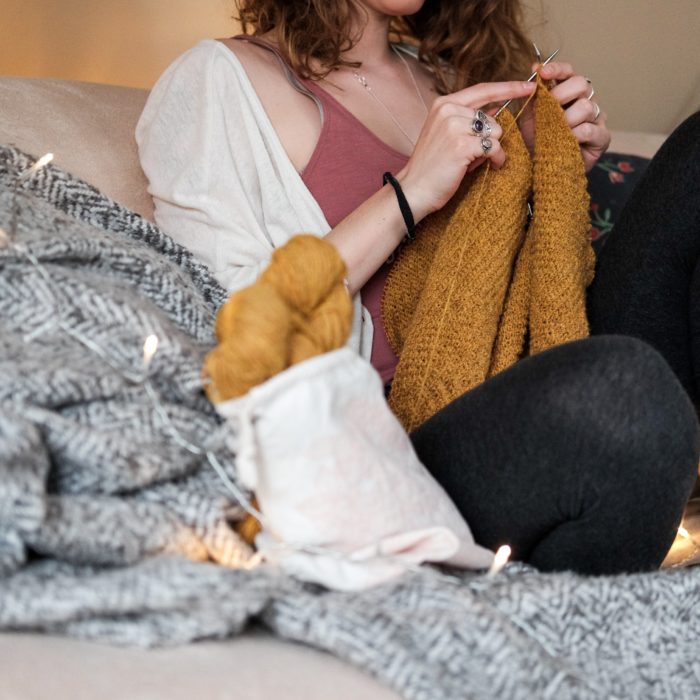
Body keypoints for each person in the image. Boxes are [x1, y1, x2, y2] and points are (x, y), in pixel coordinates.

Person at [136, 0, 700, 575]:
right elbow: (227, 322)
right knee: (626, 386)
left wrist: (544, 173)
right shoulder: (218, 77)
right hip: (399, 451)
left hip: (511, 383)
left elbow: (504, 291)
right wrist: (408, 192)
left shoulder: (452, 80)